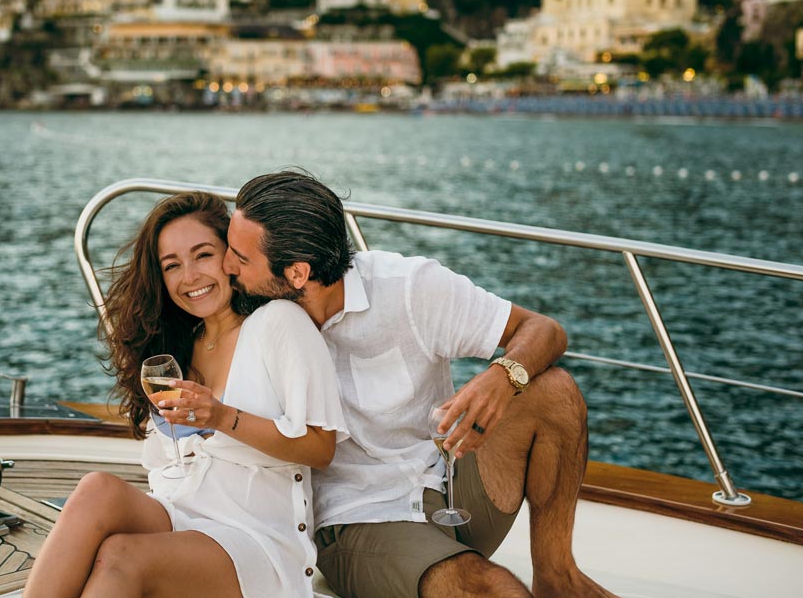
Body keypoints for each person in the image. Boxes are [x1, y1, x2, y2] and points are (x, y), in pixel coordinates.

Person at [222, 171, 619, 598]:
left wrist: (502, 377)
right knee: (493, 591)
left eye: (240, 259)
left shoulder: (409, 289)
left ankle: (556, 574)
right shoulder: (252, 316)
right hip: (357, 521)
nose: (227, 267)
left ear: (298, 272)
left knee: (554, 391)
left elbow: (544, 330)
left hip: (448, 487)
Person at [24, 191, 347, 598]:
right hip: (181, 509)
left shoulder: (277, 324)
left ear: (230, 258)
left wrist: (220, 417)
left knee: (122, 555)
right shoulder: (179, 345)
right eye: (172, 265)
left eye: (203, 255)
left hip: (255, 534)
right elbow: (167, 463)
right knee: (96, 489)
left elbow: (320, 448)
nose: (189, 276)